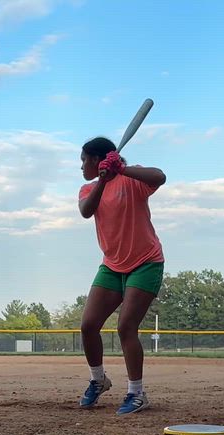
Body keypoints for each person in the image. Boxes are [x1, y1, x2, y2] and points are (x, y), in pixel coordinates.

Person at [76, 137, 166, 415]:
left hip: (145, 262)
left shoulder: (131, 179)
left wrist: (122, 169)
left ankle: (137, 394)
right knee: (88, 325)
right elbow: (86, 211)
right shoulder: (89, 188)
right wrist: (103, 180)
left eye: (83, 160)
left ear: (96, 159)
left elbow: (160, 176)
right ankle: (98, 379)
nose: (81, 166)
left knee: (126, 326)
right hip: (112, 265)